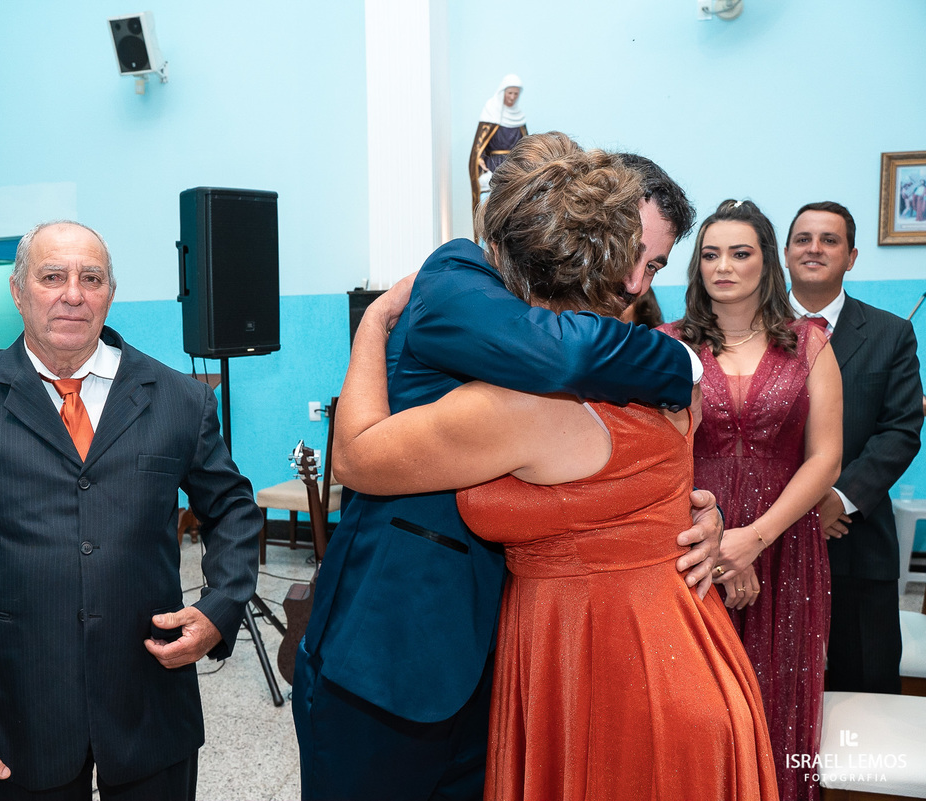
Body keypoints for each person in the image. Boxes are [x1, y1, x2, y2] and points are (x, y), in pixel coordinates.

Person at [331, 137, 777, 800]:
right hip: (440, 645)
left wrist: (681, 516)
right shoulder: (472, 294)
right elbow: (569, 367)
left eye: (655, 266)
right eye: (633, 255)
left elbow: (360, 455)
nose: (637, 285)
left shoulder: (580, 386)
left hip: (607, 661)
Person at [0, 221, 262, 801]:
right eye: (52, 277)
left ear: (110, 294)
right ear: (18, 291)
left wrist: (219, 609)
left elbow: (233, 509)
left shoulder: (181, 399)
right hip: (14, 711)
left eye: (91, 278)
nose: (73, 294)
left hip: (147, 700)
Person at [662, 200, 843, 801]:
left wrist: (753, 540)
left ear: (767, 261)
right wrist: (718, 547)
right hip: (689, 549)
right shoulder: (667, 346)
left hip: (786, 547)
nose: (723, 267)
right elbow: (655, 456)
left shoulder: (809, 344)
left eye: (740, 253)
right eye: (710, 254)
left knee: (776, 705)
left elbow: (825, 459)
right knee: (698, 709)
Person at [785, 201, 924, 694]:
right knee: (764, 689)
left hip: (856, 539)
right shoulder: (751, 329)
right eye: (803, 239)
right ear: (786, 253)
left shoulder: (890, 333)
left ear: (852, 256)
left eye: (830, 240)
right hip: (765, 539)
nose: (815, 249)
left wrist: (837, 500)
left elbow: (901, 429)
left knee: (866, 689)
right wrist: (797, 506)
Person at [468, 74, 528, 216]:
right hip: (493, 166)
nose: (512, 97)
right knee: (492, 208)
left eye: (516, 94)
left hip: (514, 168)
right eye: (510, 93)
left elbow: (525, 145)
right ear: (503, 92)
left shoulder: (519, 117)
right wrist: (480, 159)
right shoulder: (491, 112)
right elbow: (479, 146)